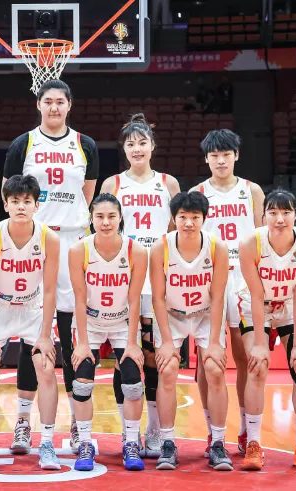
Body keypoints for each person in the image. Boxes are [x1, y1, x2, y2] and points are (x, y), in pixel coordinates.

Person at [3, 79, 99, 452]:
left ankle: (76, 422)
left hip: (73, 242)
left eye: (60, 101)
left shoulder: (85, 145)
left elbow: (87, 196)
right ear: (38, 105)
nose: (54, 107)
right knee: (33, 334)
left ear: (69, 105)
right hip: (36, 242)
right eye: (48, 101)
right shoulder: (23, 144)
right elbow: (11, 196)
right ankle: (22, 421)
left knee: (72, 334)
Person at [100, 113, 180, 455]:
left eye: (142, 142)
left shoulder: (168, 183)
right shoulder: (112, 184)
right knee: (126, 355)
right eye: (131, 143)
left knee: (154, 356)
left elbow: (178, 232)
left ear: (153, 146)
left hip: (159, 277)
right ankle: (127, 432)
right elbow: (102, 232)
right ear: (124, 149)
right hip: (124, 275)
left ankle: (155, 429)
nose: (136, 148)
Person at [0, 175, 61, 470]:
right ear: (5, 204)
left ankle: (46, 443)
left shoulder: (49, 238)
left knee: (45, 366)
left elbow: (50, 290)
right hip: (0, 308)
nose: (21, 206)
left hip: (33, 307)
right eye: (15, 201)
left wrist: (45, 334)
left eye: (27, 201)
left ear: (37, 205)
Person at [237, 188, 296, 472]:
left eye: (286, 212)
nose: (279, 219)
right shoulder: (250, 243)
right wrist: (259, 344)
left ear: (295, 215)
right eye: (273, 212)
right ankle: (253, 443)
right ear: (264, 216)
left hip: (289, 305)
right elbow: (256, 294)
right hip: (256, 304)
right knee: (257, 365)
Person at [192, 129, 264, 456]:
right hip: (209, 278)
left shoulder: (252, 191)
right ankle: (213, 432)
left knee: (245, 356)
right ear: (206, 158)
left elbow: (262, 239)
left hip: (245, 278)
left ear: (236, 155)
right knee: (207, 360)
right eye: (214, 155)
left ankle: (248, 430)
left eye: (226, 154)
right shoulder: (197, 193)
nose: (220, 160)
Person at [150, 192, 231, 471]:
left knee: (215, 369)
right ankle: (167, 442)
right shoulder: (160, 248)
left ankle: (218, 443)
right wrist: (166, 342)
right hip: (172, 315)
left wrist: (215, 342)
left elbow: (218, 297)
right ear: (174, 218)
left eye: (195, 217)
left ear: (204, 219)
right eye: (182, 216)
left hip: (205, 314)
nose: (188, 222)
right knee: (168, 369)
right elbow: (157, 297)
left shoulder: (217, 247)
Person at [69, 194, 147, 471]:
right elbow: (79, 298)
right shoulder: (79, 250)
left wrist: (132, 343)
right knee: (82, 383)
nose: (105, 222)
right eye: (99, 216)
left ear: (120, 218)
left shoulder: (136, 251)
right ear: (91, 219)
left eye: (111, 216)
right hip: (90, 323)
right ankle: (85, 442)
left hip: (122, 322)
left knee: (133, 383)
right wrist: (81, 342)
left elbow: (135, 299)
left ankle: (131, 441)